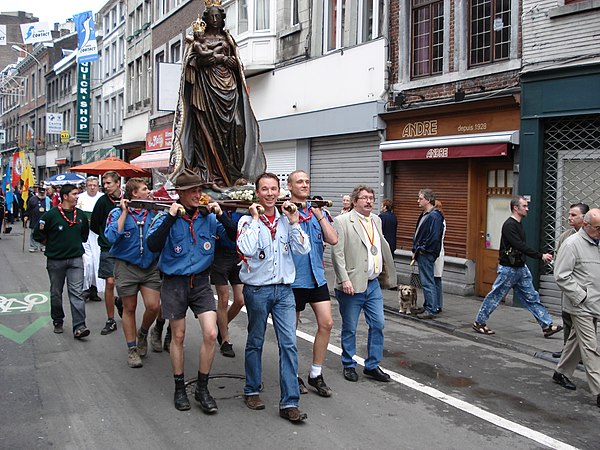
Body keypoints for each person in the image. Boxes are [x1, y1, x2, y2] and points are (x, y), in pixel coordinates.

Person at [147, 168, 236, 413]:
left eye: (200, 190)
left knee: (210, 333)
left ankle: (202, 388)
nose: (199, 195)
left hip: (200, 282)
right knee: (178, 336)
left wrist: (222, 215)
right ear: (180, 194)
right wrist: (170, 218)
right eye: (193, 191)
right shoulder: (169, 215)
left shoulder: (207, 217)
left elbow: (233, 238)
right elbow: (152, 245)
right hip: (174, 283)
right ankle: (179, 388)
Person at [237, 172, 310, 422]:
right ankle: (252, 389)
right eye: (264, 189)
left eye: (273, 189)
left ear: (279, 191)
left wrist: (294, 222)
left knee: (288, 344)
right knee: (256, 340)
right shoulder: (247, 221)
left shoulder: (286, 219)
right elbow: (245, 249)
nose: (269, 194)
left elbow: (303, 249)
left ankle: (290, 402)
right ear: (257, 193)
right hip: (257, 291)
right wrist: (257, 219)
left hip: (284, 291)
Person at [169, 5, 265, 187]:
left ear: (222, 19)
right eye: (211, 16)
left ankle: (234, 174)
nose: (214, 20)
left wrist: (233, 63)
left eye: (217, 16)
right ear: (206, 18)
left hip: (229, 88)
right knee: (206, 132)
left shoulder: (228, 38)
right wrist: (215, 59)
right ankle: (210, 176)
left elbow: (239, 66)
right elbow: (191, 64)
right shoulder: (197, 40)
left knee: (237, 126)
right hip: (206, 90)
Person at [331, 185, 397, 383]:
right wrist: (344, 279)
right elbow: (337, 253)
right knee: (350, 327)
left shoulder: (376, 220)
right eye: (364, 198)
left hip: (372, 283)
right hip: (351, 283)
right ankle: (348, 364)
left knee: (378, 324)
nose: (369, 201)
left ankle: (372, 365)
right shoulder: (342, 221)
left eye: (371, 198)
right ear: (354, 201)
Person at [473, 195, 563, 337]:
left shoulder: (518, 224)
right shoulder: (509, 225)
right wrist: (540, 256)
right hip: (508, 269)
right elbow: (519, 246)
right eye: (524, 206)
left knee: (532, 297)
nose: (527, 209)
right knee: (495, 296)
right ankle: (479, 322)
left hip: (520, 268)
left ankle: (547, 325)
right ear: (516, 208)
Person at [288, 170, 338, 397]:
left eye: (307, 182)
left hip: (316, 276)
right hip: (293, 279)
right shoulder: (284, 211)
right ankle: (292, 374)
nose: (305, 185)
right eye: (300, 182)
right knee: (291, 331)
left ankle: (315, 374)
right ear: (289, 186)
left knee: (326, 323)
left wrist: (319, 214)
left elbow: (333, 239)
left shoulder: (319, 211)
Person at [105, 178, 162, 368]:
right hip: (126, 267)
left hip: (149, 267)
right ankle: (132, 349)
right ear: (134, 193)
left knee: (153, 306)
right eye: (145, 189)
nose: (149, 191)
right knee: (129, 308)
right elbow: (111, 237)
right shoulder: (116, 212)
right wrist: (123, 212)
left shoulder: (153, 212)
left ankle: (143, 333)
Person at [552, 208, 600, 409]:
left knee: (575, 341)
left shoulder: (597, 243)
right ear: (586, 226)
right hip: (581, 305)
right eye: (598, 228)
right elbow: (561, 276)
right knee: (591, 347)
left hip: (595, 302)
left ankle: (561, 372)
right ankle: (599, 391)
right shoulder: (572, 244)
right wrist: (582, 297)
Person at [32, 184, 90, 338]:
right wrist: (50, 244)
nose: (77, 197)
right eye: (74, 194)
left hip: (76, 260)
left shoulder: (82, 216)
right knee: (56, 292)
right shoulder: (50, 215)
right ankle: (58, 320)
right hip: (55, 261)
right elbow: (38, 234)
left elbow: (84, 236)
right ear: (65, 196)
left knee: (77, 293)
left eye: (77, 194)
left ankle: (80, 326)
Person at [211, 178, 247, 358]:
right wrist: (221, 214)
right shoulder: (220, 208)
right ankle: (225, 339)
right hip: (220, 256)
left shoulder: (246, 211)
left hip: (237, 255)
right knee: (223, 299)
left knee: (240, 300)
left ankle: (220, 325)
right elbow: (230, 231)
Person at [552, 202, 590, 358]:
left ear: (584, 218)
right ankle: (567, 351)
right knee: (567, 318)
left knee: (586, 321)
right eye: (569, 214)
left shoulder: (592, 236)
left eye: (573, 215)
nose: (569, 218)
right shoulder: (565, 236)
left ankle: (584, 354)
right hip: (568, 284)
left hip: (586, 287)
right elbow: (558, 259)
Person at [91, 171, 123, 335]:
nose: (106, 186)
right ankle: (110, 320)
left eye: (109, 183)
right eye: (104, 183)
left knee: (125, 285)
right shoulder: (102, 202)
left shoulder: (127, 199)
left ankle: (120, 302)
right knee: (110, 283)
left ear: (118, 183)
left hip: (125, 248)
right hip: (108, 247)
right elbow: (95, 225)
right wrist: (106, 236)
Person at [412, 189, 444, 319]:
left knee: (427, 281)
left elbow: (434, 237)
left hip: (426, 252)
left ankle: (431, 308)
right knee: (426, 280)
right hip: (422, 251)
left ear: (428, 200)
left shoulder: (434, 216)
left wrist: (422, 248)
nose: (418, 201)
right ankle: (428, 305)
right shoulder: (426, 214)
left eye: (420, 198)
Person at [77, 176, 105, 302]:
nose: (92, 188)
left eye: (95, 185)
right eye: (90, 185)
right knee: (87, 262)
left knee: (96, 262)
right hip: (84, 234)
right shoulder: (80, 198)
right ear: (86, 186)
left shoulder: (102, 198)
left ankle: (94, 289)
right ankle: (84, 288)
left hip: (97, 234)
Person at [23, 184, 49, 252]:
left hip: (45, 219)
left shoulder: (48, 200)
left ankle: (43, 246)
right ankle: (33, 246)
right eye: (41, 192)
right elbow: (28, 209)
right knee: (33, 233)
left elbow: (51, 209)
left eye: (43, 192)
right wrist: (26, 216)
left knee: (44, 233)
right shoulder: (32, 199)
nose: (42, 194)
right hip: (34, 219)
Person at [433, 200, 446, 313]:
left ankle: (437, 304)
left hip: (436, 253)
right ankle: (434, 303)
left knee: (436, 279)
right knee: (434, 279)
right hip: (436, 252)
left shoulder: (438, 220)